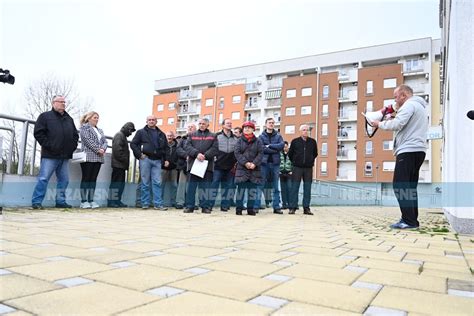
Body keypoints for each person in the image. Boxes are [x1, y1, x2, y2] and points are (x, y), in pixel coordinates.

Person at [371, 84, 428, 229]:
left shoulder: (409, 106)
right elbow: (403, 122)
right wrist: (392, 115)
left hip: (408, 150)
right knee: (409, 187)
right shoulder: (419, 106)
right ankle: (412, 220)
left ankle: (408, 220)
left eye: (396, 97)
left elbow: (398, 124)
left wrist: (379, 123)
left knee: (400, 185)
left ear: (404, 95)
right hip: (418, 150)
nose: (395, 100)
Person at [31, 95, 78, 209]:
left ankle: (60, 201)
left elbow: (75, 136)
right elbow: (38, 133)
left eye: (64, 102)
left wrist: (71, 147)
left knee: (64, 180)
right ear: (53, 103)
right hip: (50, 155)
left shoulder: (69, 119)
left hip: (65, 156)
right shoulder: (45, 116)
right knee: (43, 178)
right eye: (60, 101)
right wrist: (50, 146)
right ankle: (36, 202)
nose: (63, 104)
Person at [130, 115, 167, 210]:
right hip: (145, 159)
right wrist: (139, 155)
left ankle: (158, 204)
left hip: (157, 161)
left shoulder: (161, 134)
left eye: (153, 120)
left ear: (156, 121)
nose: (151, 121)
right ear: (146, 121)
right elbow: (133, 144)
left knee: (157, 182)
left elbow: (165, 148)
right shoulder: (141, 132)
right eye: (149, 120)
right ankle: (145, 203)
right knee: (145, 182)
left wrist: (165, 159)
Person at [184, 117, 218, 214]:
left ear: (208, 125)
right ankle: (189, 206)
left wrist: (205, 156)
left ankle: (205, 207)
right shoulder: (191, 135)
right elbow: (187, 146)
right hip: (193, 165)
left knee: (205, 188)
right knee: (191, 187)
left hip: (207, 165)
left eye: (203, 123)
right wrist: (196, 154)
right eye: (200, 123)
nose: (201, 125)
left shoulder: (213, 135)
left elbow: (215, 148)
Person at [78, 111, 108, 209]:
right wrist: (98, 149)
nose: (97, 119)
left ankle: (91, 200)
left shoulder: (100, 130)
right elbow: (87, 140)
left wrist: (103, 149)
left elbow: (105, 141)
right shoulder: (84, 128)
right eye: (95, 117)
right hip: (88, 156)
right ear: (89, 118)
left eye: (97, 118)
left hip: (98, 157)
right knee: (86, 178)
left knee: (93, 179)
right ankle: (83, 201)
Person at [234, 121, 264, 216]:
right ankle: (239, 209)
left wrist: (254, 163)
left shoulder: (258, 141)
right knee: (240, 191)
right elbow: (237, 153)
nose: (247, 129)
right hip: (242, 168)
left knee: (252, 191)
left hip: (254, 169)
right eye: (245, 127)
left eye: (249, 127)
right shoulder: (239, 140)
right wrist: (245, 163)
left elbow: (260, 153)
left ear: (253, 130)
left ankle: (250, 209)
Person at [256, 117, 284, 214]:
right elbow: (261, 148)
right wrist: (274, 149)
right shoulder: (261, 136)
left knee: (276, 187)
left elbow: (281, 146)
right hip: (264, 164)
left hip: (275, 164)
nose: (271, 124)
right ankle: (256, 206)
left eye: (273, 123)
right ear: (266, 124)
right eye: (269, 123)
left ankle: (276, 207)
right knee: (260, 185)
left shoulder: (278, 136)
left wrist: (270, 146)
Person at [288, 125, 318, 215]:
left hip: (308, 168)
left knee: (307, 188)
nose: (306, 131)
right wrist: (295, 161)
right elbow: (290, 154)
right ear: (300, 131)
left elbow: (315, 153)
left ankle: (306, 208)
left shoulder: (312, 142)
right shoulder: (295, 141)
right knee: (294, 188)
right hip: (297, 167)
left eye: (307, 130)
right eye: (304, 130)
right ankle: (293, 207)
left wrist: (310, 160)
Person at [211, 119, 237, 212]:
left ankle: (225, 206)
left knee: (228, 186)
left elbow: (237, 152)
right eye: (227, 123)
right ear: (223, 125)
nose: (229, 124)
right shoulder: (216, 136)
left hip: (230, 167)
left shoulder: (235, 138)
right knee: (214, 185)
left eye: (230, 123)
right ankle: (210, 205)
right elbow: (212, 149)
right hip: (218, 166)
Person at [108, 122, 135, 208]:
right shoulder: (119, 135)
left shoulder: (122, 136)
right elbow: (117, 151)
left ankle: (117, 201)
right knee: (116, 184)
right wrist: (124, 160)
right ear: (127, 128)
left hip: (121, 165)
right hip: (118, 165)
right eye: (130, 131)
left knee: (120, 184)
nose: (131, 133)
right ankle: (112, 201)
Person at [176, 123, 196, 209]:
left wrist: (192, 156)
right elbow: (178, 149)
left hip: (195, 164)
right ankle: (180, 202)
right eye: (189, 127)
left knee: (194, 185)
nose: (190, 128)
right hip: (183, 164)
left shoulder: (198, 139)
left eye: (192, 127)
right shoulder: (182, 139)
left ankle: (193, 203)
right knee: (181, 185)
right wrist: (186, 156)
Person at [161, 131, 178, 208]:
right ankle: (159, 201)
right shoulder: (163, 144)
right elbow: (160, 154)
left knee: (174, 185)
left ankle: (173, 202)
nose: (169, 137)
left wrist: (175, 163)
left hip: (174, 168)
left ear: (173, 136)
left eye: (171, 136)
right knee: (161, 185)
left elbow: (179, 155)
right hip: (164, 167)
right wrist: (163, 161)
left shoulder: (177, 145)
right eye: (168, 136)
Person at [279, 141, 292, 209]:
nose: (284, 148)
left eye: (286, 147)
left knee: (289, 189)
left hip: (289, 173)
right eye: (283, 147)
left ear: (288, 147)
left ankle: (290, 204)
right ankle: (284, 204)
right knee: (283, 190)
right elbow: (277, 162)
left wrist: (292, 171)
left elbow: (293, 162)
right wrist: (279, 171)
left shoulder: (291, 153)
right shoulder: (279, 153)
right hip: (281, 173)